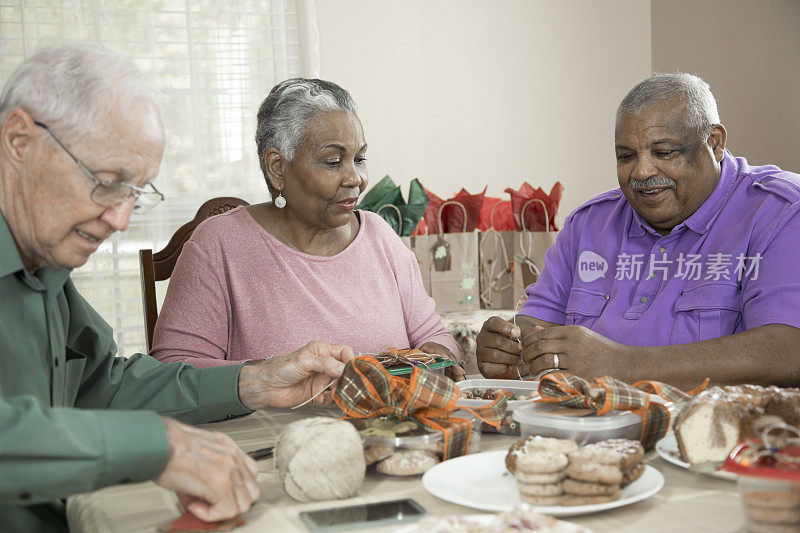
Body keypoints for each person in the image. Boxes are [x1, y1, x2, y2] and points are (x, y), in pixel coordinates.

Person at [0, 45, 357, 532]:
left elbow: (107, 387)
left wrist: (256, 380)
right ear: (19, 141)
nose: (120, 220)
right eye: (107, 182)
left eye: (135, 193)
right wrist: (160, 445)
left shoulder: (43, 267)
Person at [476, 73, 800, 390]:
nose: (642, 172)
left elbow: (787, 352)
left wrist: (622, 364)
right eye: (626, 156)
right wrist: (508, 346)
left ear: (713, 143)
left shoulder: (780, 211)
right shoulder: (589, 223)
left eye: (664, 152)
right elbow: (537, 323)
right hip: (589, 431)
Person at [149, 78, 464, 380]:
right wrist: (274, 375)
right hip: (270, 435)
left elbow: (435, 337)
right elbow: (173, 373)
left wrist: (435, 358)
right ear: (278, 168)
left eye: (360, 158)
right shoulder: (219, 245)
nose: (356, 178)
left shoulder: (380, 236)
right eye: (333, 161)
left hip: (386, 433)